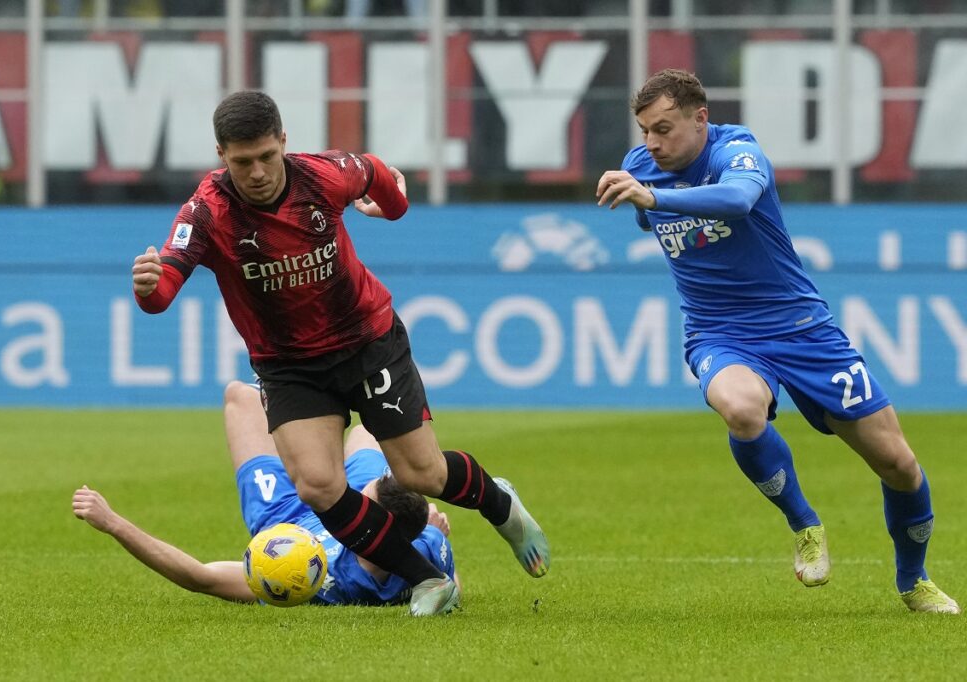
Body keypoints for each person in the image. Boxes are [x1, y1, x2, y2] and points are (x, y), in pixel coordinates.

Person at [131, 90, 549, 616]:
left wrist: (392, 207)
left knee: (422, 475)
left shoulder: (324, 175)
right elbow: (164, 286)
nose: (257, 172)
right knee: (317, 485)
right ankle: (428, 581)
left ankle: (502, 505)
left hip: (367, 341)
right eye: (242, 162)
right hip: (288, 365)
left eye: (266, 156)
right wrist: (150, 288)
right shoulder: (207, 212)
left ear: (283, 142)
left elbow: (376, 173)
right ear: (221, 156)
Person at [596, 68, 958, 614]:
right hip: (719, 332)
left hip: (801, 329)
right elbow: (654, 221)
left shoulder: (737, 150)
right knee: (741, 409)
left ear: (701, 119)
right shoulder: (641, 165)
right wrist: (649, 195)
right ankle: (804, 523)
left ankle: (914, 580)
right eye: (645, 130)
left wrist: (656, 199)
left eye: (664, 129)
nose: (652, 143)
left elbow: (739, 201)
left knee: (899, 465)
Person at [72, 381, 459, 606]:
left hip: (284, 514)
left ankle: (299, 400)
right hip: (373, 512)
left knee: (240, 395)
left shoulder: (311, 575)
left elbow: (200, 577)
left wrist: (113, 523)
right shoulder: (427, 545)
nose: (358, 494)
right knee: (368, 432)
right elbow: (448, 584)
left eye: (365, 497)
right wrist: (432, 526)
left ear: (375, 529)